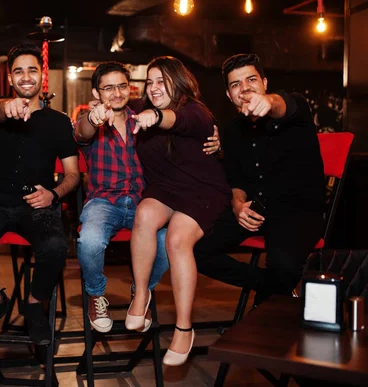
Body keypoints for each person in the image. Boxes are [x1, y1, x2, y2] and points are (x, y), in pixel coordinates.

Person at [74, 61, 221, 333]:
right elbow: (82, 131)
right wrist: (92, 119)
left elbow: (184, 120)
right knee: (89, 240)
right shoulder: (92, 119)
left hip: (143, 201)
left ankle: (140, 292)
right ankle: (95, 295)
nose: (116, 93)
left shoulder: (141, 115)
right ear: (96, 93)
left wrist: (217, 138)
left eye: (122, 86)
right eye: (108, 88)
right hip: (104, 202)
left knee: (167, 245)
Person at [0, 43, 80, 346]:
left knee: (55, 246)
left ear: (42, 76)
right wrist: (6, 108)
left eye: (32, 70)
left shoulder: (59, 121)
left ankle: (35, 304)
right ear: (10, 79)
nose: (26, 77)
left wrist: (53, 193)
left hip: (35, 203)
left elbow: (74, 174)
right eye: (18, 71)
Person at [193, 54, 324, 314]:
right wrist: (238, 205)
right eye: (236, 84)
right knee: (196, 250)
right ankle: (273, 289)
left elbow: (281, 104)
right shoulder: (232, 131)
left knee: (283, 265)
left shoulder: (295, 108)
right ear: (229, 95)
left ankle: (269, 297)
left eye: (251, 80)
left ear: (264, 82)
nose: (245, 88)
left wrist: (268, 102)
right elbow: (236, 178)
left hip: (297, 211)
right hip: (256, 209)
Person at [126, 56, 231, 366]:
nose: (154, 87)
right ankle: (141, 294)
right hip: (165, 190)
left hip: (203, 190)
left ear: (179, 82)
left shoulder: (195, 112)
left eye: (162, 81)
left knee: (176, 239)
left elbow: (178, 121)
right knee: (144, 213)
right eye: (150, 82)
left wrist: (156, 117)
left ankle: (184, 328)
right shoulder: (142, 113)